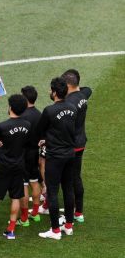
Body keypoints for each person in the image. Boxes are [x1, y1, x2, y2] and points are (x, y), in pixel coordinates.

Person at [36, 77, 77, 240]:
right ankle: (68, 226)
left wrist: (45, 139)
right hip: (70, 154)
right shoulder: (73, 108)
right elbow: (65, 129)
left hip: (55, 156)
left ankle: (55, 230)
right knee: (68, 189)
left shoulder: (49, 110)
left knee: (52, 192)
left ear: (54, 92)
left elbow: (40, 130)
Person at [0, 94, 30, 240]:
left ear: (10, 107)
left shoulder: (3, 126)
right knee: (16, 196)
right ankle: (10, 230)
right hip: (19, 166)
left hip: (3, 166)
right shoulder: (27, 125)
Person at [63, 69, 92, 223]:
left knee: (68, 181)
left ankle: (71, 216)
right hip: (80, 142)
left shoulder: (69, 103)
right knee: (76, 177)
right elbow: (89, 89)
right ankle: (79, 211)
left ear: (68, 85)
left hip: (70, 144)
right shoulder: (83, 95)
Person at [19, 86, 43, 224]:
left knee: (24, 184)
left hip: (23, 154)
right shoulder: (40, 114)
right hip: (34, 153)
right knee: (34, 182)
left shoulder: (22, 116)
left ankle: (24, 218)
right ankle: (35, 213)